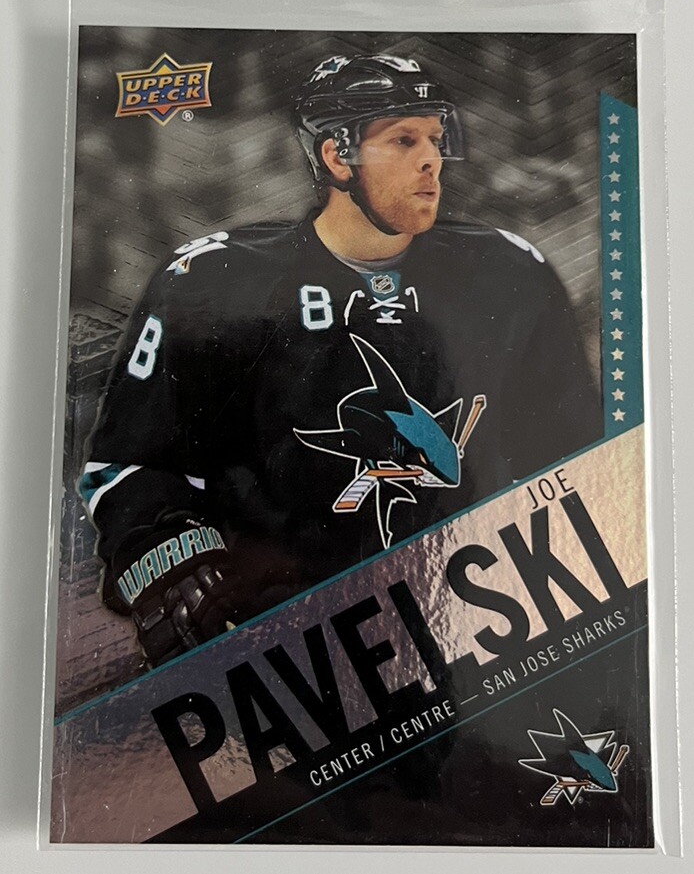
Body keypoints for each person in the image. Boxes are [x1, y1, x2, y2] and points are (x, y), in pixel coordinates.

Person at [79, 53, 602, 667]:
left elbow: (583, 464)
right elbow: (126, 466)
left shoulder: (509, 274)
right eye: (404, 140)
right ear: (337, 157)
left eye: (435, 138)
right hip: (289, 654)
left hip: (479, 636)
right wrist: (177, 564)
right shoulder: (211, 282)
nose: (432, 159)